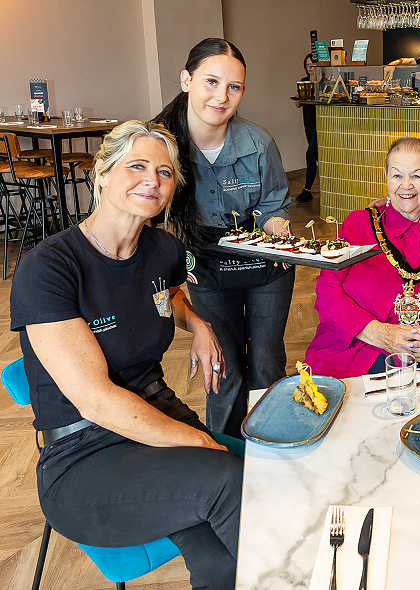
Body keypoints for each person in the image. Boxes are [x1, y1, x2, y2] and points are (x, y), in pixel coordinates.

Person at [9, 121, 243, 589]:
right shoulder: (50, 266)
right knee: (230, 481)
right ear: (101, 173)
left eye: (164, 172)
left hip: (155, 417)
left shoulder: (163, 249)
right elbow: (95, 401)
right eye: (137, 166)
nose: (152, 180)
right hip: (84, 456)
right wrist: (199, 442)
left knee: (221, 558)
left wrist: (197, 322)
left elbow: (167, 293)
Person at [154, 38, 295, 438]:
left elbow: (273, 205)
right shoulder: (161, 145)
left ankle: (270, 450)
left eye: (233, 87)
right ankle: (226, 454)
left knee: (267, 364)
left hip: (265, 264)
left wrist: (277, 229)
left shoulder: (258, 143)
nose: (221, 96)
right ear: (186, 79)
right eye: (211, 82)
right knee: (224, 364)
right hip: (205, 265)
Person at [306, 137, 420, 378]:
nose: (406, 185)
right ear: (386, 177)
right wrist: (377, 333)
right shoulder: (358, 226)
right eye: (397, 176)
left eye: (417, 176)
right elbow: (327, 289)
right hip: (361, 355)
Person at [293, 54, 318, 203]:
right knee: (315, 157)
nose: (310, 67)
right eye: (307, 65)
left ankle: (307, 190)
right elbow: (298, 104)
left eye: (312, 65)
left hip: (320, 125)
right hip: (308, 123)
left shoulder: (323, 82)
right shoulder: (303, 82)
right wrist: (299, 98)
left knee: (310, 155)